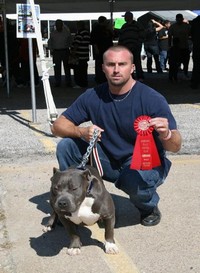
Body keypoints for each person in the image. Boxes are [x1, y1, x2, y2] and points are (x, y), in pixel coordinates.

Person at [51, 45, 182, 227]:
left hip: (143, 164)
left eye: (122, 64)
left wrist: (166, 134)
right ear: (103, 67)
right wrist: (80, 131)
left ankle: (148, 206)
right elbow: (57, 126)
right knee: (66, 146)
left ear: (133, 67)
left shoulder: (151, 98)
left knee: (135, 182)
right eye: (111, 64)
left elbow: (175, 147)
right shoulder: (93, 96)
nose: (116, 69)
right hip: (106, 160)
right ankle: (74, 199)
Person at [118, 11, 145, 81]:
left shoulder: (137, 25)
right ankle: (131, 76)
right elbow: (121, 37)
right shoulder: (124, 26)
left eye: (125, 17)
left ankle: (140, 76)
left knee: (137, 61)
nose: (125, 18)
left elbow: (142, 35)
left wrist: (138, 44)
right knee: (129, 63)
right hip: (127, 48)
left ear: (129, 17)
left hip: (136, 47)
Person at [48, 19, 72, 87]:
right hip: (56, 52)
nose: (58, 26)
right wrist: (51, 50)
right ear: (56, 25)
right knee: (57, 68)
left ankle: (68, 82)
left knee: (67, 67)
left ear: (62, 25)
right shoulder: (53, 33)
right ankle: (57, 82)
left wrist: (70, 50)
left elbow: (70, 41)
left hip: (65, 51)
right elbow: (50, 42)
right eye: (57, 25)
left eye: (60, 24)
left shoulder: (66, 33)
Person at [90, 16, 113, 84]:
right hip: (100, 49)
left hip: (107, 49)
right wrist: (96, 49)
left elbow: (112, 35)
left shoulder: (107, 28)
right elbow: (94, 41)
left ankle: (105, 77)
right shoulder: (96, 29)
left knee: (106, 64)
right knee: (100, 64)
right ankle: (100, 78)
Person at [168, 13, 191, 80]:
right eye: (177, 19)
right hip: (176, 47)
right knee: (175, 63)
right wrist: (169, 45)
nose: (178, 20)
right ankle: (174, 75)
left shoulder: (187, 26)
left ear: (182, 19)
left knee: (186, 62)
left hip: (185, 46)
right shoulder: (173, 26)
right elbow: (169, 36)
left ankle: (185, 73)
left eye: (180, 19)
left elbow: (191, 34)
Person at [70, 21, 90, 88]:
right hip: (85, 55)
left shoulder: (80, 33)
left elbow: (76, 43)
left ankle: (79, 83)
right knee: (84, 70)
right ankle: (84, 83)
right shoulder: (87, 33)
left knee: (78, 70)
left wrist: (73, 53)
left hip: (79, 55)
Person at [190, 15, 200, 89]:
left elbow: (190, 34)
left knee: (196, 66)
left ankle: (195, 83)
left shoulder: (194, 21)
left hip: (197, 46)